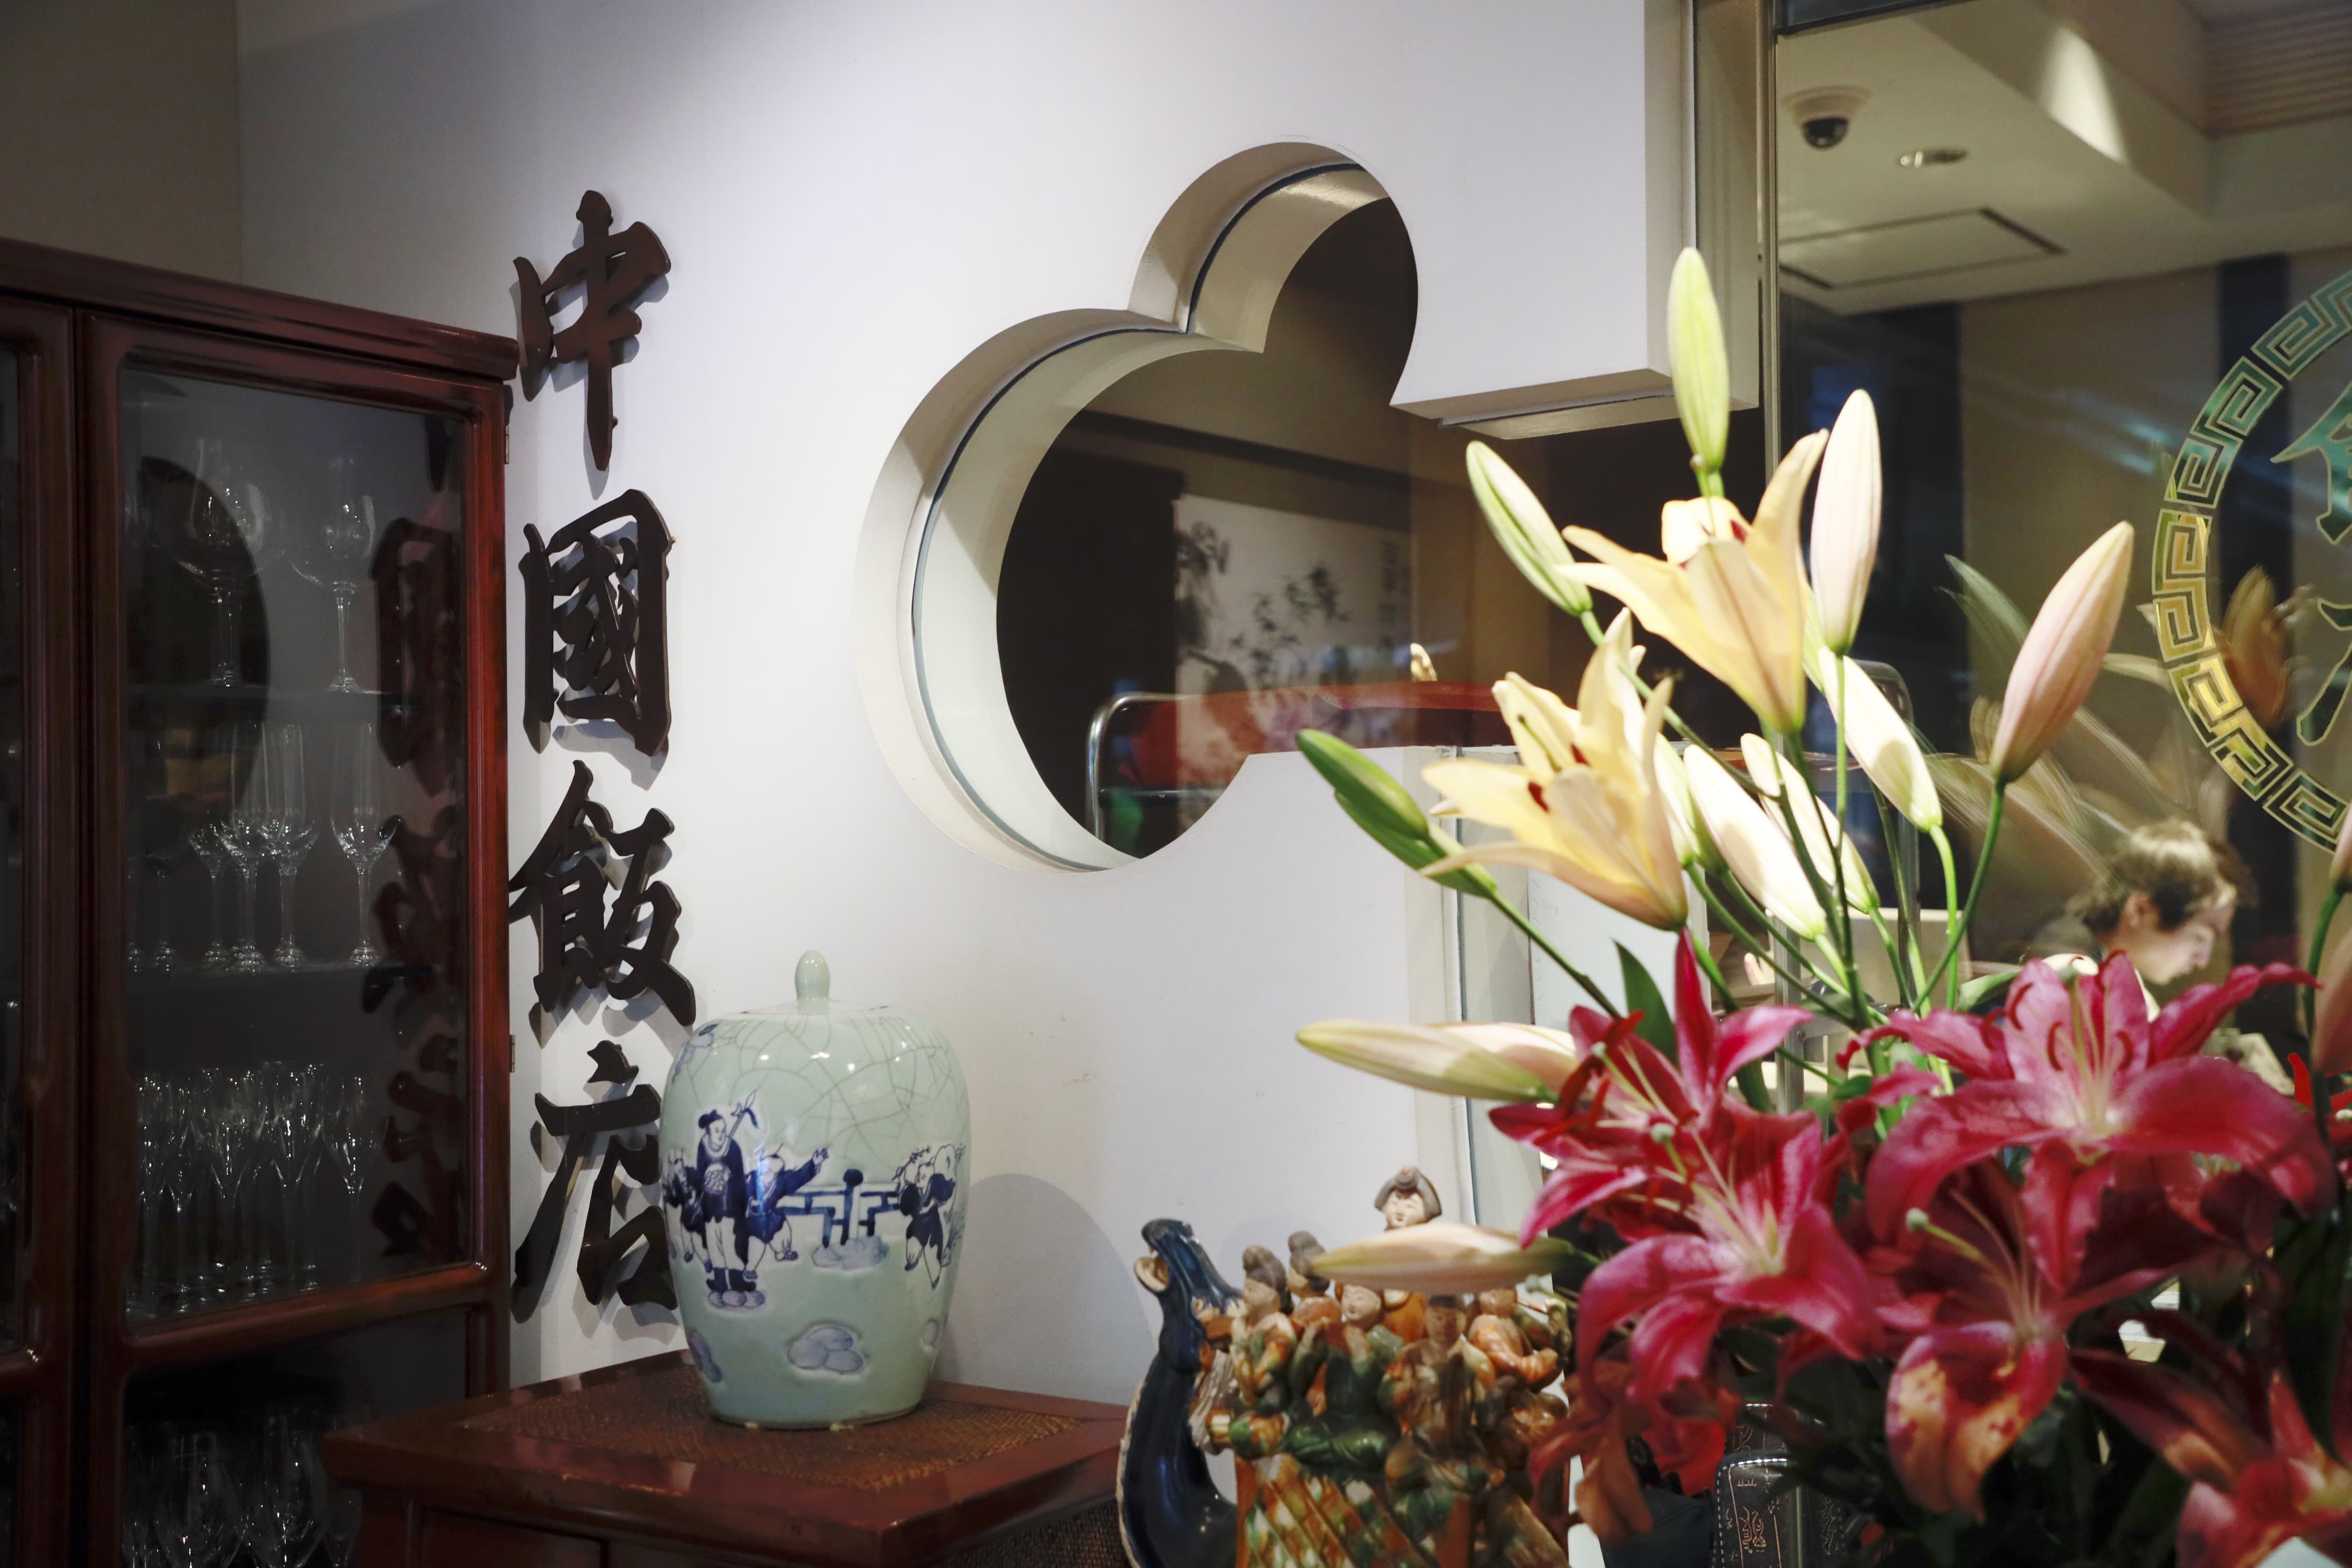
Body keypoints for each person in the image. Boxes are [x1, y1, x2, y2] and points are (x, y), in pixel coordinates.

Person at [2030, 821, 2291, 1092]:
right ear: (2141, 910)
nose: (2202, 960)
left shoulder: (2110, 971)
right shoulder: (2071, 973)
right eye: (2200, 937)